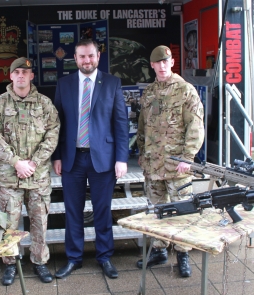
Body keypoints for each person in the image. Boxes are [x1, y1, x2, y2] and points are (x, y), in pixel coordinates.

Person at [52, 39, 128, 279]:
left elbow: (121, 123)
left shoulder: (112, 83)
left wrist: (122, 158)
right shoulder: (64, 84)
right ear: (75, 59)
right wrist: (56, 156)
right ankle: (74, 258)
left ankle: (104, 256)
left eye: (91, 56)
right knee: (73, 211)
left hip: (103, 159)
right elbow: (56, 124)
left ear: (98, 57)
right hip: (72, 159)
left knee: (102, 210)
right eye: (82, 56)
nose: (87, 60)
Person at [0, 57, 60, 285]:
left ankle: (40, 262)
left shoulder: (45, 104)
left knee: (39, 222)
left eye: (24, 72)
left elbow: (53, 134)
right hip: (10, 176)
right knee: (9, 224)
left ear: (31, 76)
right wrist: (17, 163)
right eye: (16, 72)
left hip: (37, 177)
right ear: (10, 76)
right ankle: (11, 263)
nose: (20, 76)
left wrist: (33, 163)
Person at [136, 45, 205, 277]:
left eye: (166, 61)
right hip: (153, 165)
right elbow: (143, 127)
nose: (163, 66)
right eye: (158, 62)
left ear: (172, 63)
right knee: (157, 210)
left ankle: (183, 255)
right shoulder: (149, 93)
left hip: (178, 165)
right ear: (152, 65)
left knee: (182, 210)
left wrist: (188, 157)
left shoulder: (186, 90)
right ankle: (159, 250)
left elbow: (195, 126)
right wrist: (141, 153)